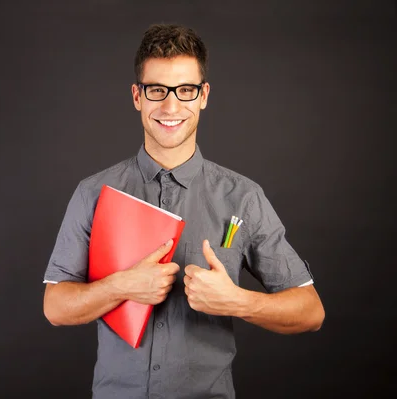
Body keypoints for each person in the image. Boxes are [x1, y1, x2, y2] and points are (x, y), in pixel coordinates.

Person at [42, 23, 325, 399]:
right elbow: (55, 307)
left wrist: (238, 302)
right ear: (137, 96)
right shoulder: (92, 193)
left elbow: (311, 312)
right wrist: (120, 285)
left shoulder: (243, 197)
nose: (171, 106)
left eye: (186, 90)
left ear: (203, 95)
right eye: (157, 89)